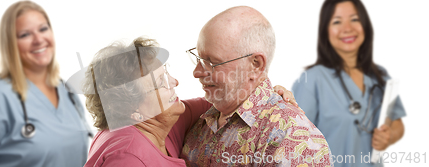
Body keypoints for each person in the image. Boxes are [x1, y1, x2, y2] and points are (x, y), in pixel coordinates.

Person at [82, 37, 298, 166]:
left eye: (166, 74)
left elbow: (224, 102)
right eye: (161, 83)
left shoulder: (165, 120)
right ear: (133, 109)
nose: (175, 82)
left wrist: (267, 93)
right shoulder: (128, 157)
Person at [0, 1, 90, 167]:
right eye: (25, 35)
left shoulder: (67, 93)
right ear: (11, 44)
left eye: (43, 29)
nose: (38, 39)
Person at [181, 6, 333, 166]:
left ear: (256, 65)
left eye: (212, 62)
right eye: (198, 58)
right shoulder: (200, 122)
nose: (196, 72)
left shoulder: (291, 136)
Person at [291, 0, 406, 167]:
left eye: (355, 19)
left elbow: (397, 122)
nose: (348, 28)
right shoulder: (312, 80)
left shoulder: (379, 77)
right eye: (337, 21)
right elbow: (294, 140)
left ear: (365, 25)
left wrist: (389, 135)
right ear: (325, 30)